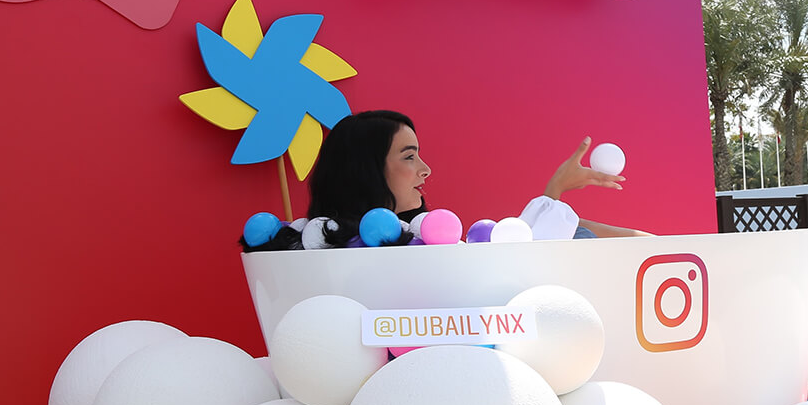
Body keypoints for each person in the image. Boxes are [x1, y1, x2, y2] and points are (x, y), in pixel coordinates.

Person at [242, 109, 647, 251]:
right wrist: (554, 192)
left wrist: (645, 243)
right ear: (365, 169)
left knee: (582, 234)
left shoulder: (410, 239)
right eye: (409, 155)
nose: (425, 169)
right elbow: (522, 269)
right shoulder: (375, 252)